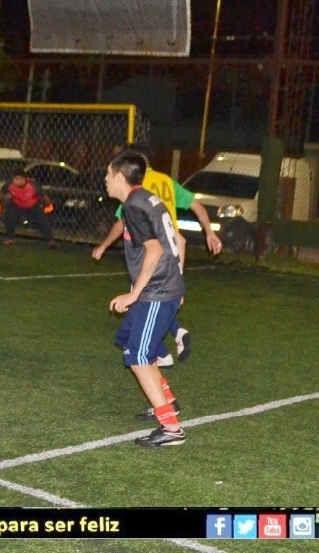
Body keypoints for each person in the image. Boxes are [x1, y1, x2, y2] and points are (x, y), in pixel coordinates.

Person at [92, 143, 223, 370]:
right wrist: (209, 232)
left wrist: (103, 245)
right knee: (143, 320)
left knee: (143, 316)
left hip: (151, 261)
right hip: (173, 252)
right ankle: (174, 336)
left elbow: (124, 222)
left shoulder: (135, 191)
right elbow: (197, 206)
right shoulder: (166, 181)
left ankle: (162, 353)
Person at [104, 152, 186, 447]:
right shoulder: (147, 199)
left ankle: (171, 428)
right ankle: (168, 402)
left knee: (139, 357)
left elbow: (155, 250)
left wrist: (134, 294)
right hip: (161, 288)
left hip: (155, 291)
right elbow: (178, 240)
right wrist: (178, 282)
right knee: (131, 343)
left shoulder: (134, 206)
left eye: (108, 174)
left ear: (120, 177)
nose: (105, 180)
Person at [0, 172, 56, 247]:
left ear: (23, 179)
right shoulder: (9, 185)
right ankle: (10, 238)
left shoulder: (33, 186)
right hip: (17, 204)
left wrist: (49, 205)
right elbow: (1, 194)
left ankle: (50, 240)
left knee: (42, 221)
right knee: (9, 218)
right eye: (14, 178)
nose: (14, 181)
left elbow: (44, 196)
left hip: (32, 205)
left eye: (17, 179)